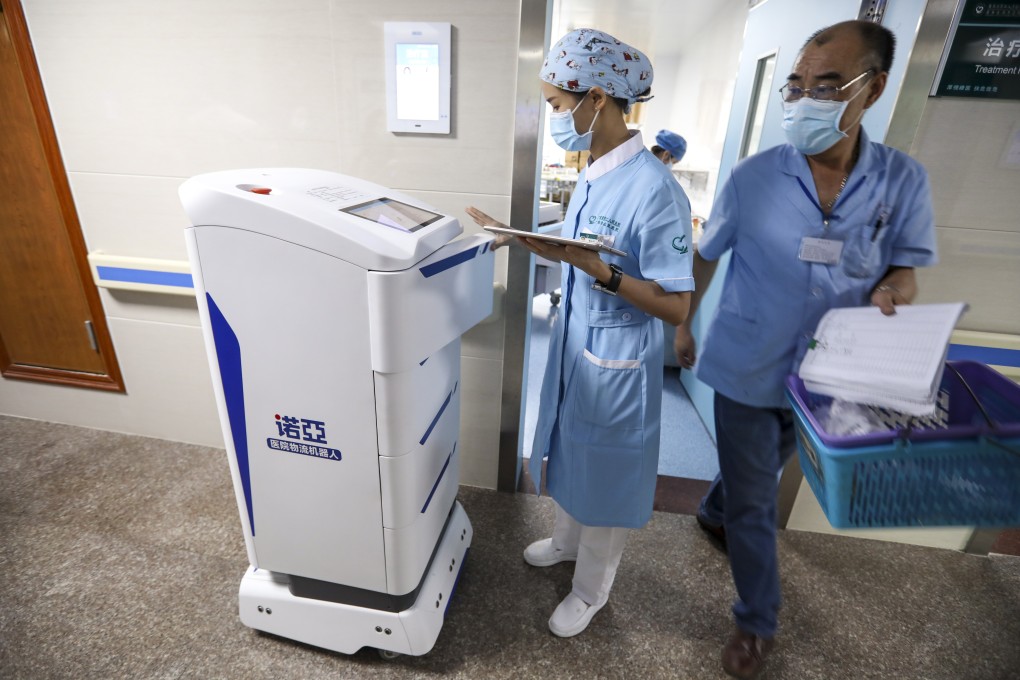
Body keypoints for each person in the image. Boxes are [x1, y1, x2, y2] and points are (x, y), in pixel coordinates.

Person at [673, 20, 937, 679]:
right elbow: (706, 255)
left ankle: (713, 509)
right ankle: (756, 621)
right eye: (796, 85)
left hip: (827, 373)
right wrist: (684, 324)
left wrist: (895, 290)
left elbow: (904, 269)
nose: (805, 99)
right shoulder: (754, 177)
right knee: (758, 502)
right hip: (745, 362)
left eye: (827, 86)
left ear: (874, 88)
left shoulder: (903, 181)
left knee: (756, 476)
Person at [467, 28, 694, 638]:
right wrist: (528, 240)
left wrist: (602, 274)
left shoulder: (656, 190)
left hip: (618, 356)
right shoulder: (595, 171)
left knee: (607, 472)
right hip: (577, 343)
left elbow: (676, 306)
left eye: (556, 105)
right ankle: (567, 541)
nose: (555, 118)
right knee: (570, 447)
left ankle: (592, 590)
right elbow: (584, 248)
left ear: (597, 97)